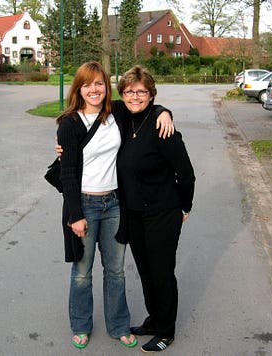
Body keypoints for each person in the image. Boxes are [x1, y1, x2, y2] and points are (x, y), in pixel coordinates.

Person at [55, 61, 173, 349]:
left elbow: (142, 103)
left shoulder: (116, 112)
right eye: (87, 84)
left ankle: (119, 325)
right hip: (83, 204)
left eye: (99, 83)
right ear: (78, 89)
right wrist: (75, 215)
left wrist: (165, 112)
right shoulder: (69, 123)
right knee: (82, 271)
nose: (94, 89)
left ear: (106, 87)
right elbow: (68, 173)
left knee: (116, 270)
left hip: (114, 205)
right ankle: (81, 325)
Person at [116, 65, 195, 353]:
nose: (135, 96)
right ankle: (153, 319)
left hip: (163, 212)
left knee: (162, 273)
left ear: (151, 94)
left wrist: (184, 206)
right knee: (145, 271)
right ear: (122, 93)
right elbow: (89, 106)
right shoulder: (124, 118)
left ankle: (166, 330)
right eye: (129, 91)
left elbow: (186, 174)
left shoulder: (164, 128)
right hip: (134, 213)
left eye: (141, 91)